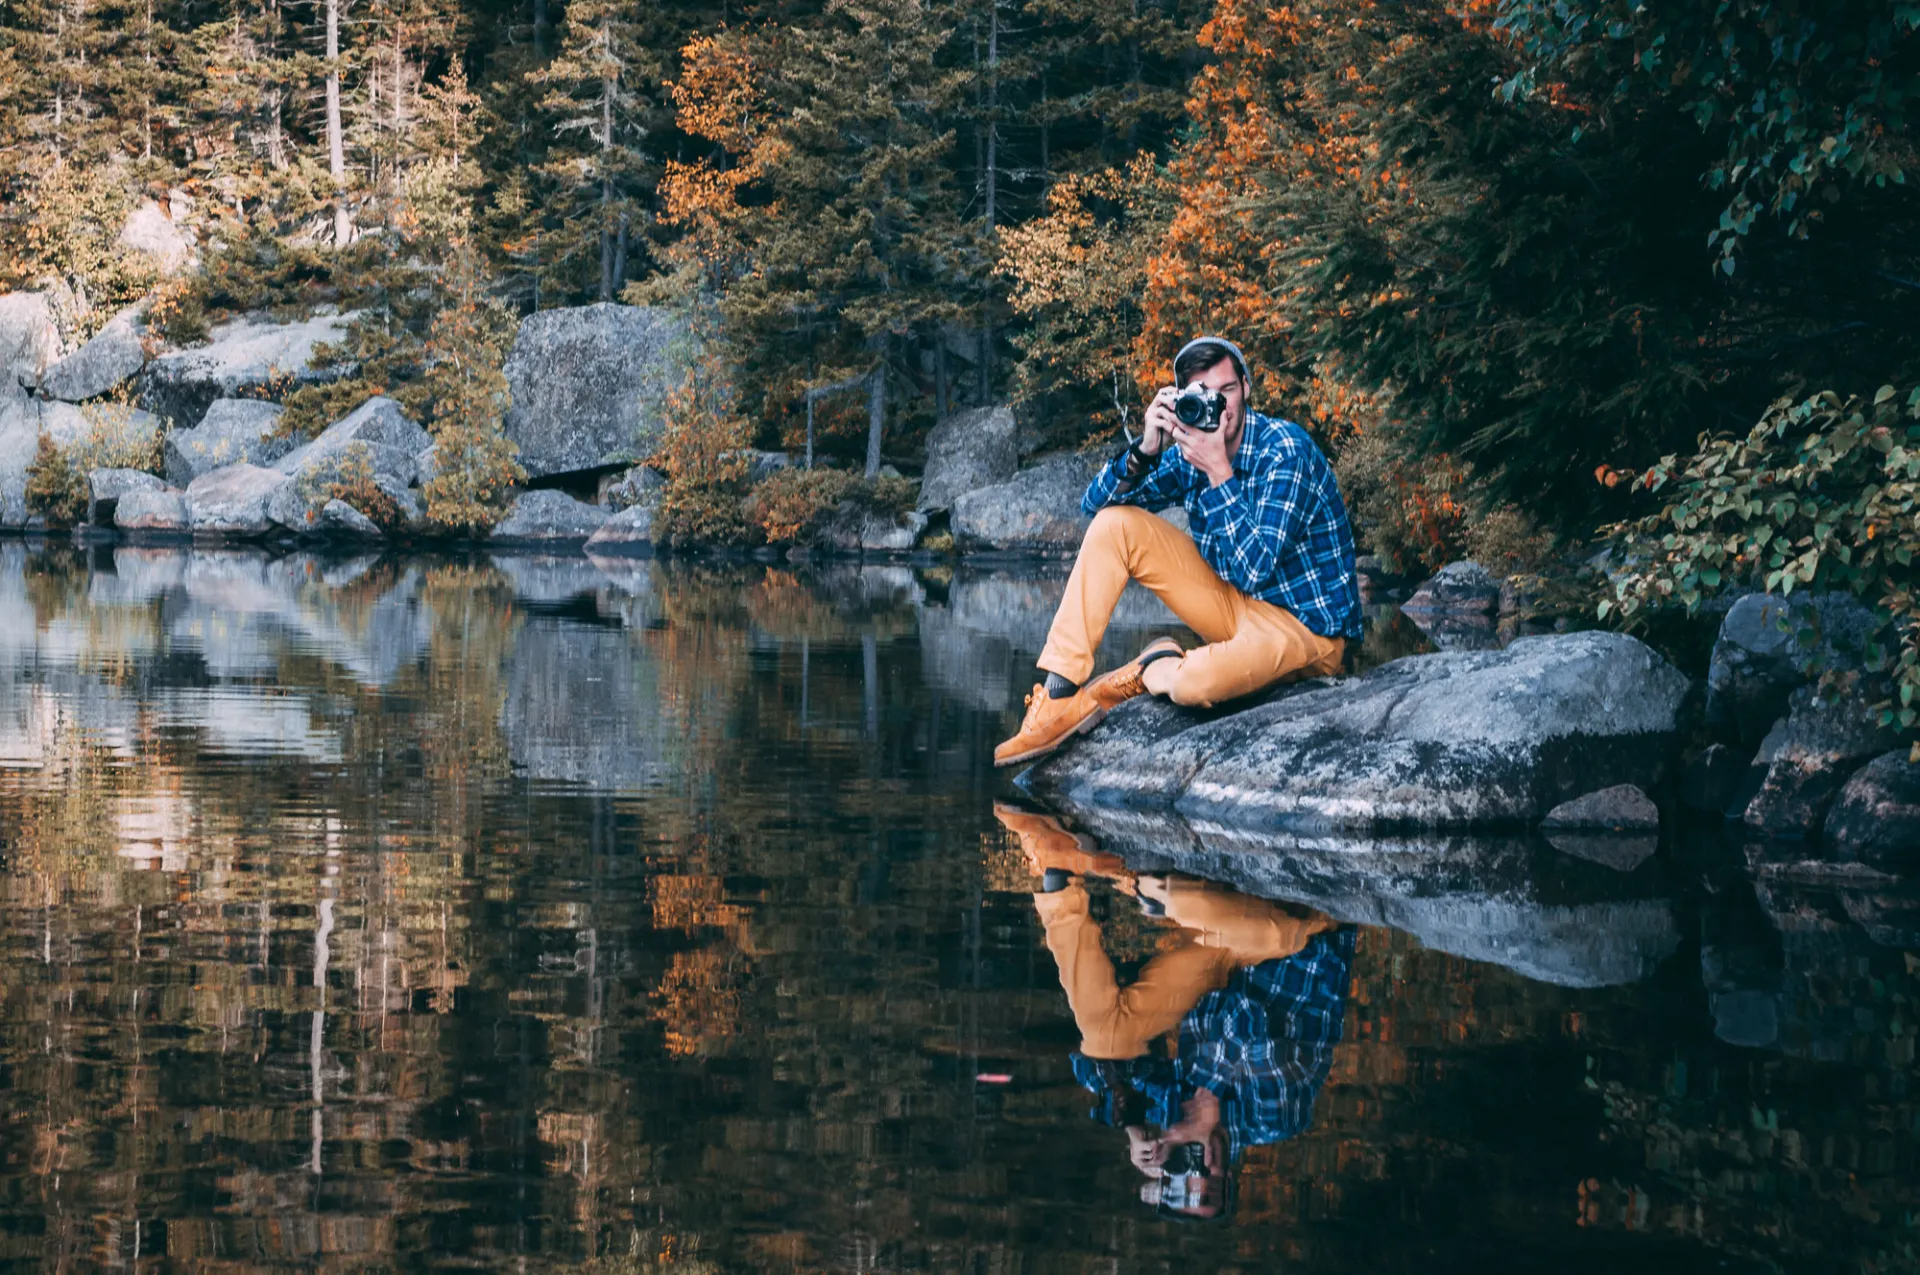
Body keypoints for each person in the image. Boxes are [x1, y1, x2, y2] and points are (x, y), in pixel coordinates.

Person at [995, 337, 1364, 767]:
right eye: (1204, 397)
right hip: (1234, 606)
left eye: (1226, 391)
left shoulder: (1284, 451)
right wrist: (1145, 451)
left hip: (1307, 630)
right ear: (1185, 401)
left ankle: (1153, 669)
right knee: (1117, 526)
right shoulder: (1190, 449)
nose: (1219, 409)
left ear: (1245, 388)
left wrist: (1218, 471)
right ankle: (1059, 695)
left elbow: (1255, 567)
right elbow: (1094, 509)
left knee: (1195, 685)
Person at [996, 801, 1354, 1220]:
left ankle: (1059, 875)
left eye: (1186, 1175)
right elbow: (1242, 1019)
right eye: (1214, 1183)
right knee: (1265, 933)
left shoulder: (1171, 1116)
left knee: (1107, 1037)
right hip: (1293, 938)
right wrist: (1207, 1110)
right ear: (1230, 1177)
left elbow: (1092, 1065)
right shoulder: (1275, 1119)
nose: (1205, 1165)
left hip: (1220, 953)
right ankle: (1132, 880)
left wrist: (1128, 1114)